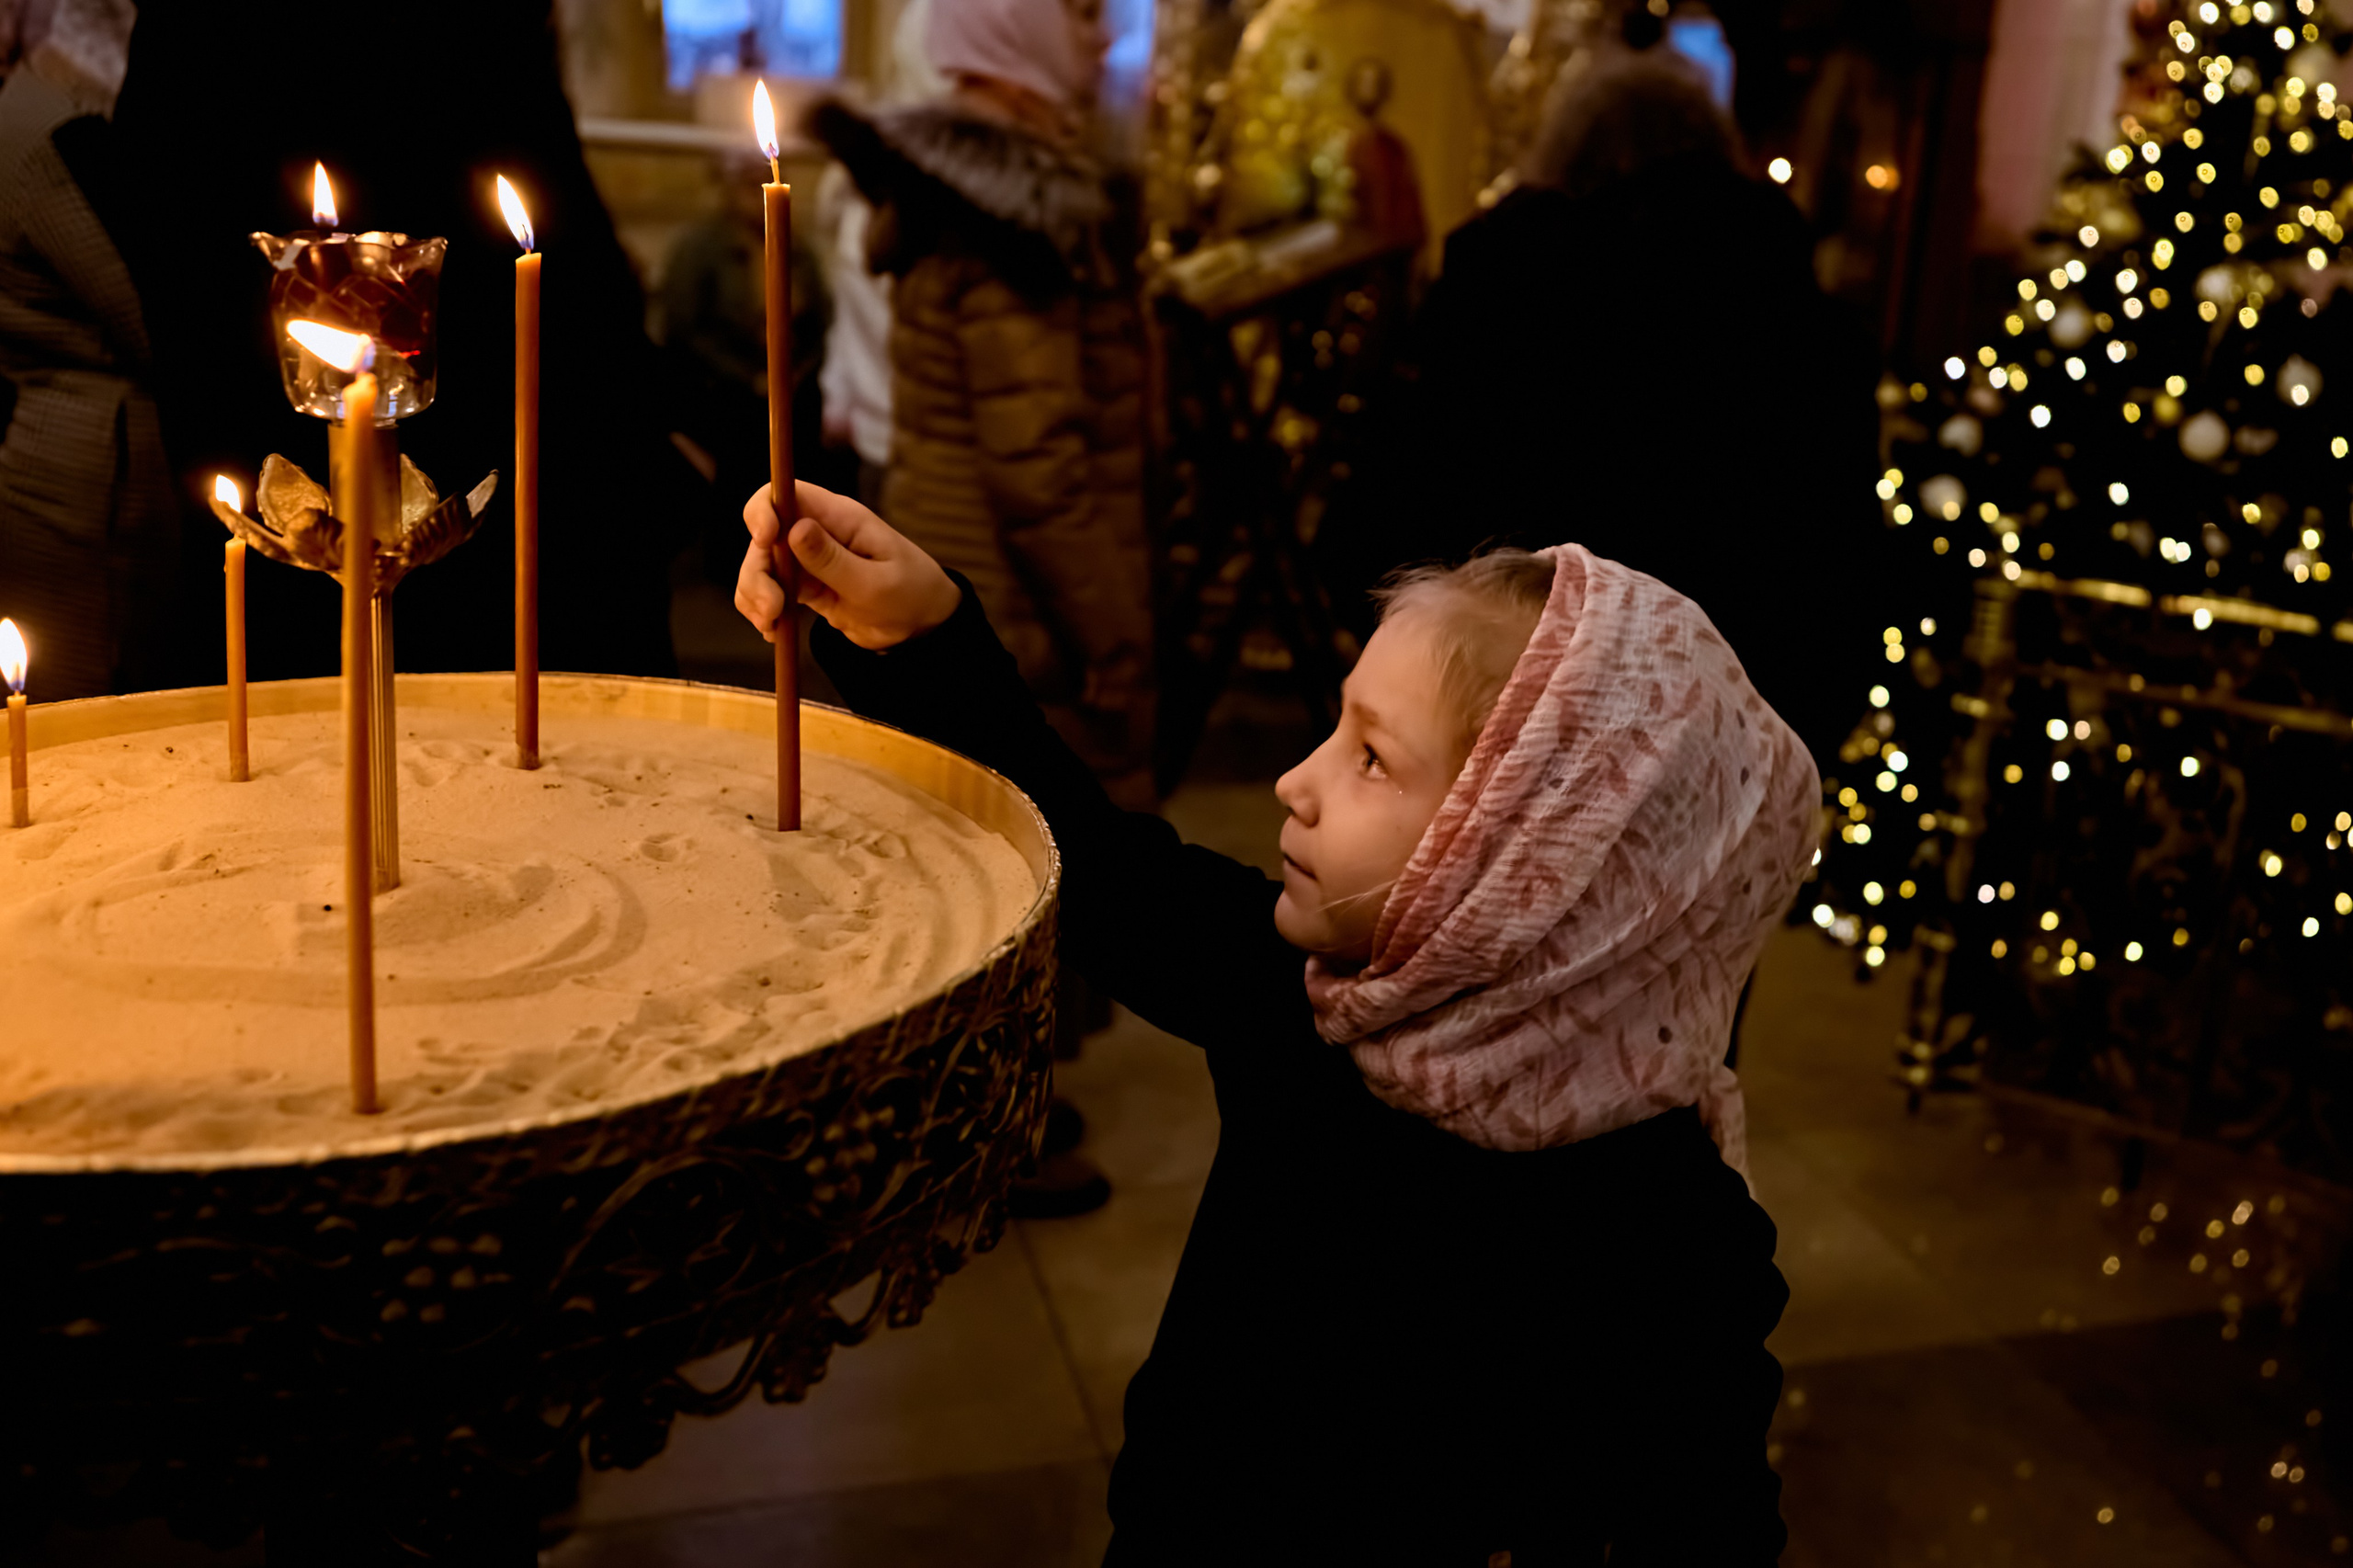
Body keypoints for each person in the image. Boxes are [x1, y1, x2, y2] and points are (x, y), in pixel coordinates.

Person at [733, 478, 1810, 1561]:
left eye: (1371, 757)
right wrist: (920, 632)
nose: (1296, 781)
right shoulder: (1309, 1000)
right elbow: (1099, 866)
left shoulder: (1669, 1244)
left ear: (1534, 876)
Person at [1341, 46, 1883, 772]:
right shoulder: (1794, 313)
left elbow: (1401, 500)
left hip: (1502, 709)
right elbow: (1833, 555)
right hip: (1724, 718)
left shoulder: (1503, 291)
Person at [804, 0, 1155, 810]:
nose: (1102, 37)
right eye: (1078, 13)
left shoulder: (959, 197)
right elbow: (1040, 469)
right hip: (1032, 612)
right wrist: (1114, 639)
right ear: (1013, 29)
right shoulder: (1015, 228)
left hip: (981, 578)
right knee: (1068, 857)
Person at [0, 0, 178, 699]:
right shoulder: (34, 129)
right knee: (88, 709)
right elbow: (142, 319)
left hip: (55, 460)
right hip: (86, 484)